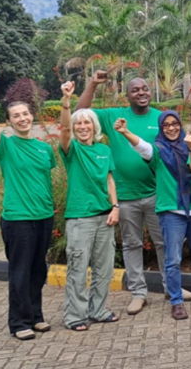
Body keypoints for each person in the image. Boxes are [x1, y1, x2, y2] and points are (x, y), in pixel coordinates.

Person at [75, 71, 191, 315]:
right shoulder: (113, 115)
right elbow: (79, 113)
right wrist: (93, 84)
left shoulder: (162, 118)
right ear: (127, 95)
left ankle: (171, 287)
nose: (141, 92)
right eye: (135, 90)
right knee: (132, 244)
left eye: (145, 88)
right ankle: (138, 293)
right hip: (126, 195)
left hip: (158, 193)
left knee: (164, 243)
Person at [113, 112, 191, 320]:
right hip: (171, 210)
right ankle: (176, 301)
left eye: (174, 124)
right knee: (172, 258)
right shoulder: (157, 151)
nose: (171, 128)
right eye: (166, 125)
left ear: (180, 125)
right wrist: (126, 132)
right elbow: (141, 146)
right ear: (161, 128)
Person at [0, 66, 55, 341]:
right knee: (20, 272)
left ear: (31, 116)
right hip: (18, 218)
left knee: (38, 270)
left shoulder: (45, 148)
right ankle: (19, 322)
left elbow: (44, 181)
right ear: (9, 122)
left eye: (25, 114)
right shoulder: (6, 146)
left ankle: (36, 316)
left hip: (44, 216)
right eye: (16, 116)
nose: (22, 118)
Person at [57, 81, 120, 331]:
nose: (83, 127)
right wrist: (66, 101)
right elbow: (62, 129)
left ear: (95, 127)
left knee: (104, 269)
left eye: (87, 123)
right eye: (78, 124)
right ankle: (75, 316)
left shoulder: (104, 150)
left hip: (105, 217)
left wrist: (116, 207)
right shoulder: (71, 150)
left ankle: (98, 310)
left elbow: (110, 179)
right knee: (78, 269)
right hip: (80, 219)